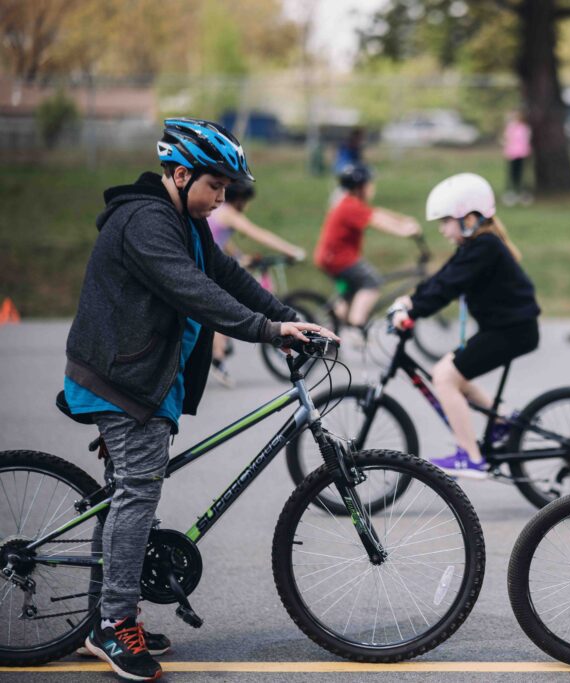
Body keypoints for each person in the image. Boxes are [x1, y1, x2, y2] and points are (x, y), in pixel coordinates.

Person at [62, 117, 333, 682]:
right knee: (138, 492)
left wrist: (290, 319)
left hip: (144, 378)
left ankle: (105, 615)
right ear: (181, 174)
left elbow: (229, 276)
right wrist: (265, 331)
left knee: (127, 494)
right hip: (121, 380)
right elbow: (196, 292)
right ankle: (114, 624)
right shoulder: (145, 223)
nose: (221, 199)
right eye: (216, 187)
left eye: (226, 190)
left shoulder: (183, 222)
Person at [389, 173, 541, 478]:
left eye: (446, 220)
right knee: (444, 369)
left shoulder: (485, 247)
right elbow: (443, 278)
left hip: (512, 331)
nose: (442, 229)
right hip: (506, 329)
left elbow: (448, 287)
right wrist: (411, 301)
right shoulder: (476, 246)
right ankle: (500, 422)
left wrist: (414, 310)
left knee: (445, 377)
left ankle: (471, 457)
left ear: (469, 219)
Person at [208, 180, 306, 387]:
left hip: (211, 262)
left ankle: (218, 349)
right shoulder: (228, 213)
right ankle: (218, 359)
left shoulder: (220, 213)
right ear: (240, 199)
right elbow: (259, 234)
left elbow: (220, 241)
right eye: (247, 201)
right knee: (223, 306)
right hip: (207, 268)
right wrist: (290, 250)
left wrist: (239, 256)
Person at [314, 162, 421, 330]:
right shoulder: (350, 206)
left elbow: (376, 213)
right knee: (372, 281)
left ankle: (328, 330)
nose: (372, 187)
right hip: (339, 259)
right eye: (370, 183)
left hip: (331, 258)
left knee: (350, 293)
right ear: (360, 186)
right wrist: (404, 231)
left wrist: (402, 220)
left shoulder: (350, 202)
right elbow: (377, 221)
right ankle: (358, 325)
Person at [501, 110, 532, 205]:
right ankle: (511, 193)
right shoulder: (511, 127)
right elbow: (507, 139)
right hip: (512, 154)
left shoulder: (524, 128)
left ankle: (522, 193)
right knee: (512, 174)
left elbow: (525, 140)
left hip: (522, 153)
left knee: (521, 174)